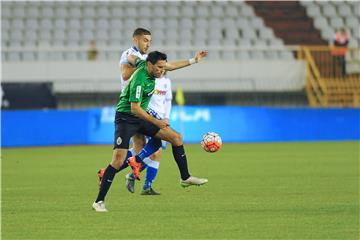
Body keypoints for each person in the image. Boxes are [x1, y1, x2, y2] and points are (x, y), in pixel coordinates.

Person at [92, 50, 208, 212]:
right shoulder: (140, 79)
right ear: (150, 65)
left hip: (141, 118)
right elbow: (135, 108)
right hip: (126, 118)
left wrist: (194, 60)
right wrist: (157, 122)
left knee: (176, 138)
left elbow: (169, 65)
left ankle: (185, 177)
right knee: (118, 160)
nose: (162, 70)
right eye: (159, 67)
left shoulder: (145, 64)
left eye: (163, 68)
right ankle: (99, 201)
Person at [97, 28, 167, 195]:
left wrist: (192, 60)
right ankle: (142, 180)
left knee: (140, 147)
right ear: (135, 40)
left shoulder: (149, 59)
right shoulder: (130, 54)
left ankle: (107, 173)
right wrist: (143, 67)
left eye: (150, 41)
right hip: (133, 107)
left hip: (142, 105)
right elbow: (125, 74)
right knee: (156, 147)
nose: (148, 43)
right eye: (145, 40)